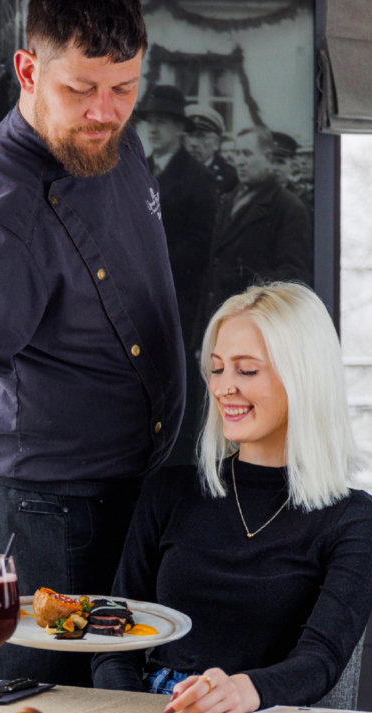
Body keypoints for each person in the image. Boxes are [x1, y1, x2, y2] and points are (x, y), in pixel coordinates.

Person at [0, 0, 184, 688]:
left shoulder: (112, 139)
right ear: (28, 71)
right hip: (45, 522)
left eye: (124, 88)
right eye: (80, 88)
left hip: (140, 503)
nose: (104, 112)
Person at [92, 282, 372, 713]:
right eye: (217, 369)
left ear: (303, 378)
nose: (223, 387)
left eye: (247, 370)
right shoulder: (168, 493)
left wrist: (240, 693)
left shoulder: (357, 522)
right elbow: (111, 639)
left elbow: (320, 661)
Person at [135, 86, 219, 466]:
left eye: (165, 122)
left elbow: (202, 244)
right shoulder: (137, 169)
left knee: (173, 384)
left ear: (180, 128)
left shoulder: (199, 178)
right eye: (151, 121)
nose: (155, 129)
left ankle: (176, 461)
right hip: (137, 297)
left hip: (179, 299)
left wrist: (151, 259)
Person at [196, 127, 312, 340]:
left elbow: (293, 276)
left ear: (268, 158)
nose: (240, 161)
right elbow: (212, 271)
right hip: (220, 324)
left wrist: (247, 284)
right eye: (237, 153)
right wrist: (200, 336)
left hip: (256, 329)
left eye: (248, 154)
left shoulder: (287, 207)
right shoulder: (229, 201)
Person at [182, 105, 238, 195]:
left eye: (201, 136)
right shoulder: (174, 171)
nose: (193, 143)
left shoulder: (230, 177)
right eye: (190, 135)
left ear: (216, 143)